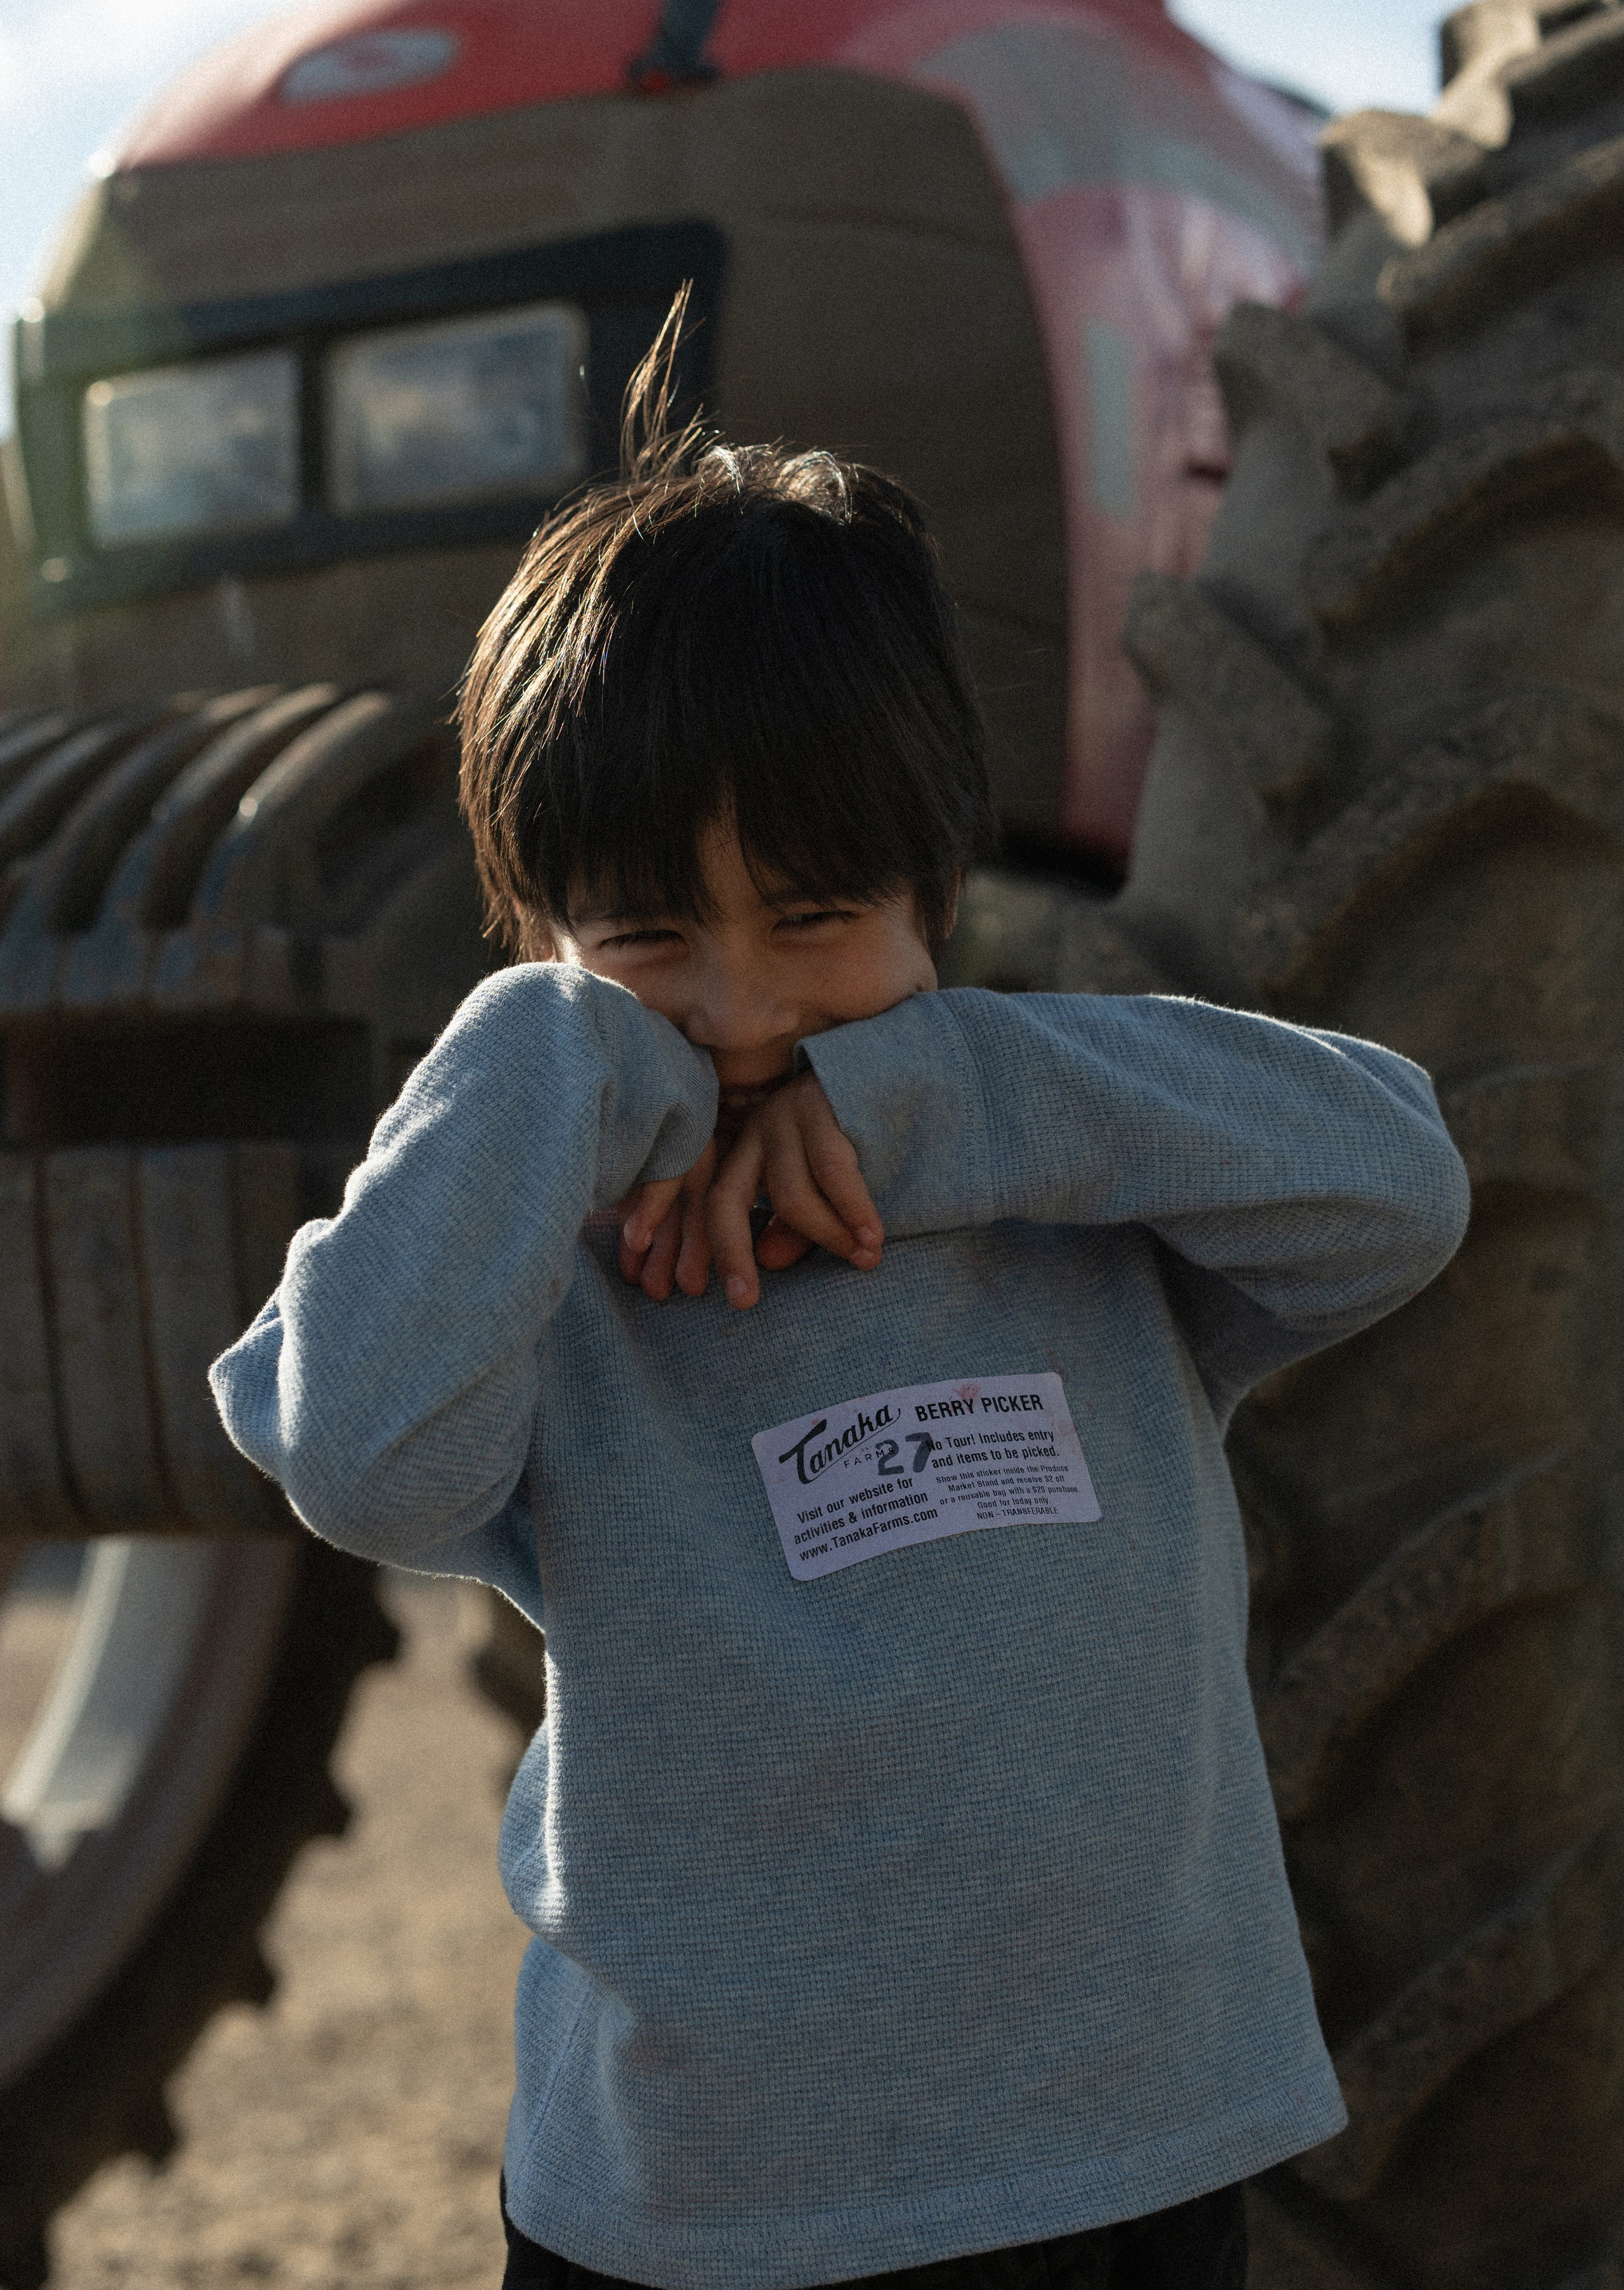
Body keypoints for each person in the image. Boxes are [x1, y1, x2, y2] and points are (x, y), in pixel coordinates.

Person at [209, 306, 1470, 2290]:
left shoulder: (1080, 1208)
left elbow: (1399, 1180)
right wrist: (546, 1056)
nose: (741, 1008)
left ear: (929, 899)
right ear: (536, 943)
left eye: (814, 920)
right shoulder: (544, 1285)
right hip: (693, 2215)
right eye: (641, 940)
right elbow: (352, 1451)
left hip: (1129, 2171)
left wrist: (949, 1092)